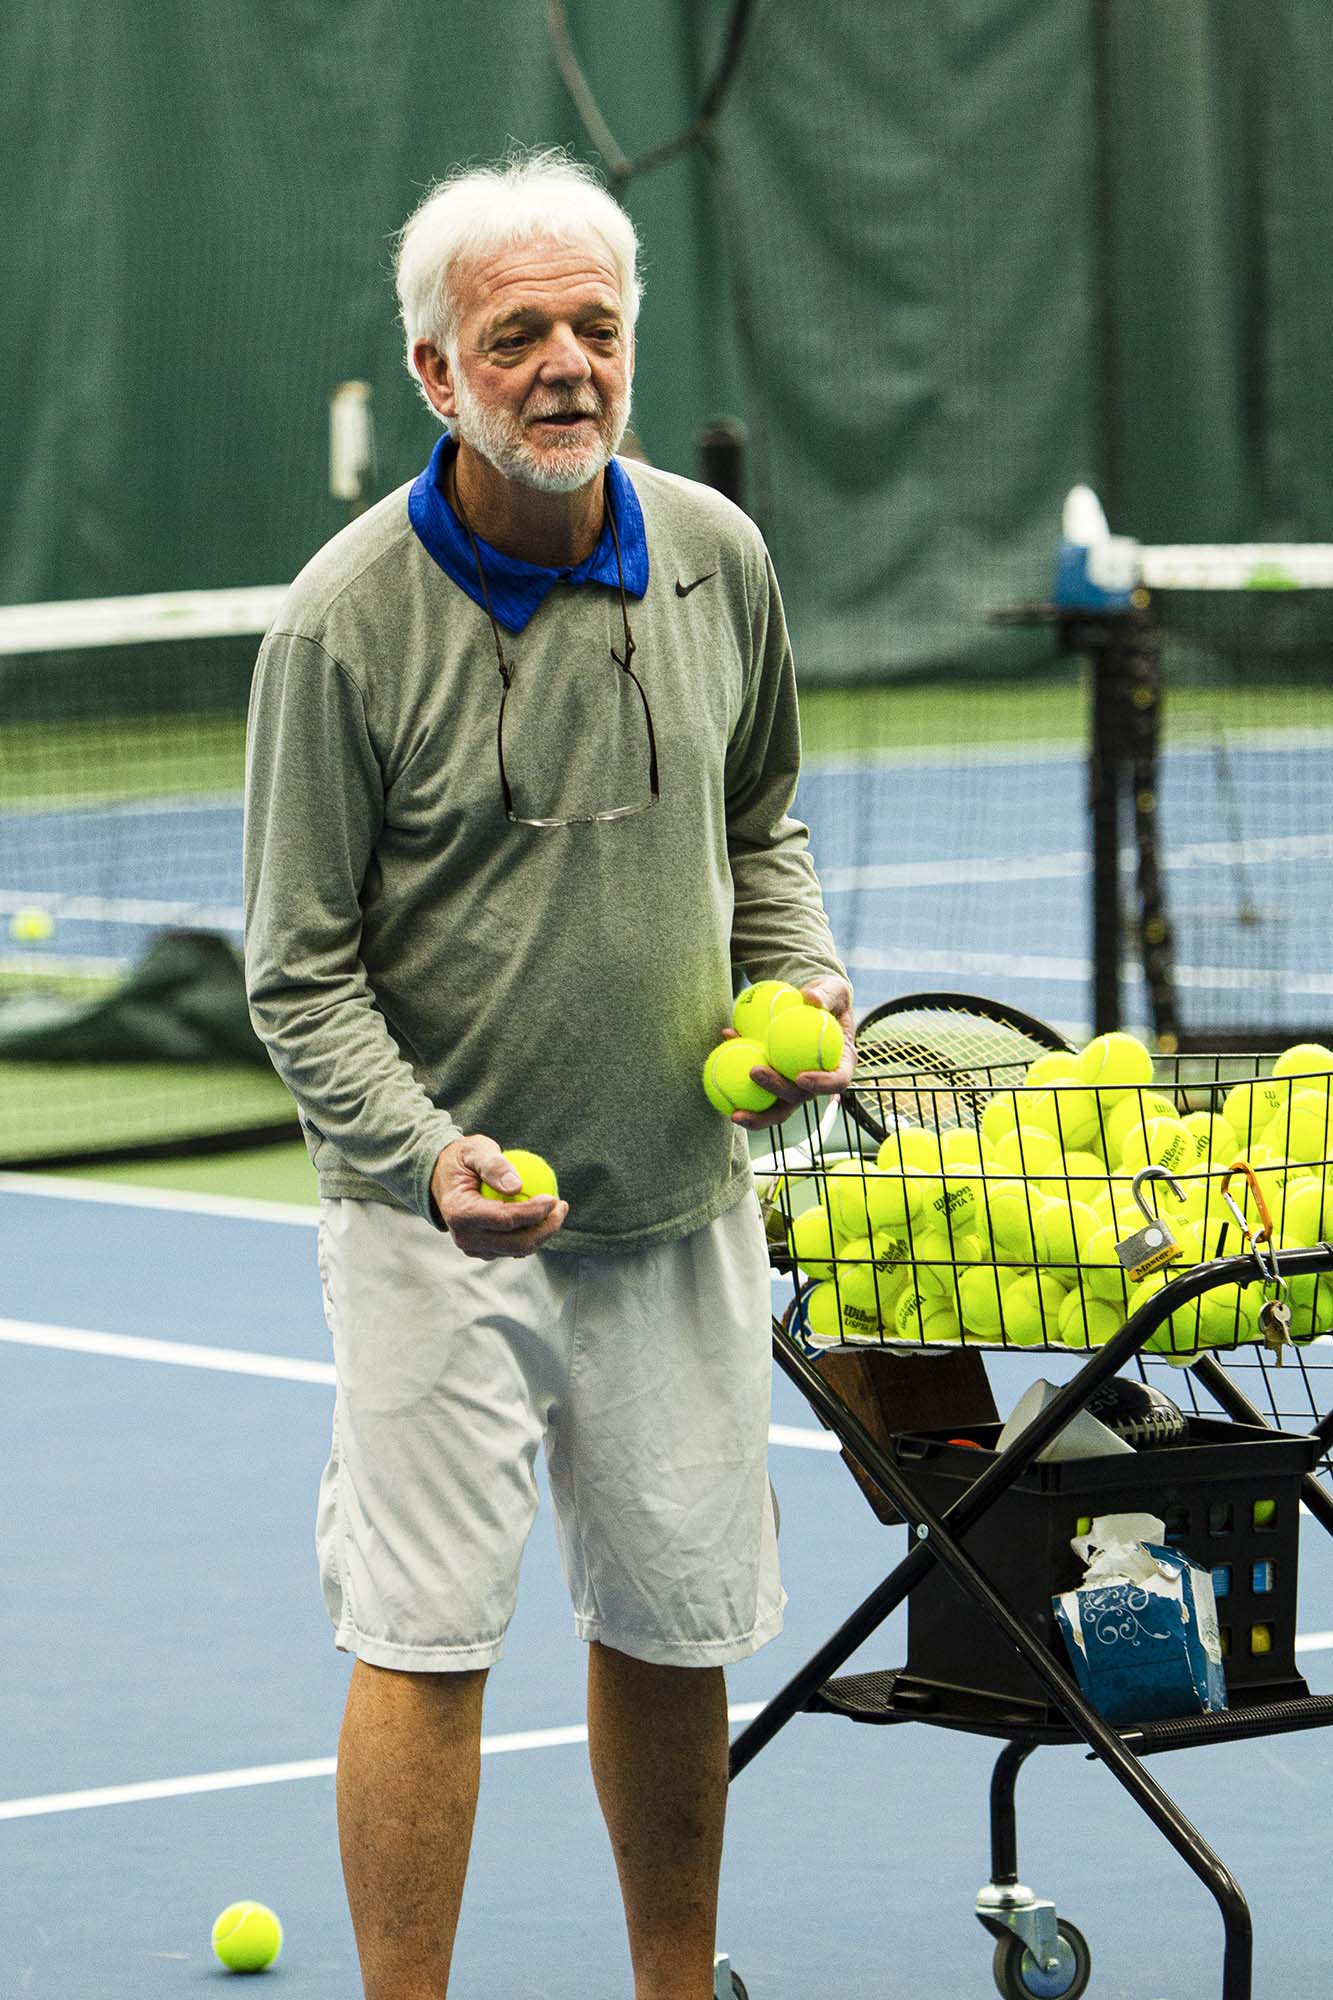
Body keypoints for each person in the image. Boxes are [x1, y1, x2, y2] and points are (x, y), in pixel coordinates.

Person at [243, 146, 852, 2000]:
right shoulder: (336, 628)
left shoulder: (717, 559)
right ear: (438, 375)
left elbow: (765, 828)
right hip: (436, 1239)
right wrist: (427, 1161)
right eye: (518, 337)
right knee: (426, 1640)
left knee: (676, 1629)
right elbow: (297, 969)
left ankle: (677, 1985)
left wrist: (798, 979)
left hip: (679, 1208)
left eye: (598, 327)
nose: (567, 366)